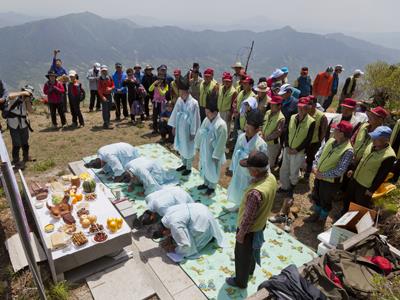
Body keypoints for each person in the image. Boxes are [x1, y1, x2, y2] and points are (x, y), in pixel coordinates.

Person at [225, 151, 277, 289]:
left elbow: (247, 219)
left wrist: (241, 234)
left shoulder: (255, 193)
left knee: (242, 255)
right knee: (253, 250)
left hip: (249, 230)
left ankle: (240, 281)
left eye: (248, 168)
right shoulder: (271, 178)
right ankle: (250, 271)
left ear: (254, 171)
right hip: (260, 224)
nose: (247, 170)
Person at [305, 121, 354, 227]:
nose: (333, 130)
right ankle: (316, 214)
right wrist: (314, 165)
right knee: (316, 195)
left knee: (326, 201)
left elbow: (340, 170)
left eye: (336, 129)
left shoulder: (348, 150)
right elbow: (319, 152)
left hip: (330, 182)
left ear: (341, 133)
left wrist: (323, 175)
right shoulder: (331, 140)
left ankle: (321, 220)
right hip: (319, 175)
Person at [344, 126, 396, 211]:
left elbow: (382, 175)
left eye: (376, 138)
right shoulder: (372, 144)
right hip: (355, 178)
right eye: (373, 137)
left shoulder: (389, 156)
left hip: (365, 186)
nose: (373, 139)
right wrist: (353, 170)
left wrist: (371, 190)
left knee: (359, 206)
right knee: (348, 199)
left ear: (385, 140)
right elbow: (362, 158)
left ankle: (353, 223)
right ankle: (343, 216)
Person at [152, 203, 224, 260]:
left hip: (203, 220)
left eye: (166, 235)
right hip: (200, 207)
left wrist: (175, 250)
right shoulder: (166, 215)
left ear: (164, 232)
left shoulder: (174, 225)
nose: (167, 236)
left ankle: (209, 237)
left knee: (189, 249)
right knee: (180, 233)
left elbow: (185, 245)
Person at [227, 111, 267, 211]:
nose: (247, 129)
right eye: (246, 126)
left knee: (247, 190)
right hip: (239, 168)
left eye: (250, 128)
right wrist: (233, 167)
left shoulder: (261, 144)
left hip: (251, 173)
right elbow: (236, 151)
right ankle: (238, 204)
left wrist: (259, 177)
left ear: (257, 129)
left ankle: (245, 209)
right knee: (237, 187)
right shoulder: (241, 137)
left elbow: (264, 163)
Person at [279, 97, 315, 196]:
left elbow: (308, 139)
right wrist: (286, 145)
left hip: (298, 151)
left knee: (294, 171)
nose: (300, 109)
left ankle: (291, 188)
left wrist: (297, 149)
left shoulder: (311, 121)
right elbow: (287, 132)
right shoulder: (292, 117)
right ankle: (284, 186)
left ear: (307, 108)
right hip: (288, 148)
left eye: (303, 107)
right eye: (299, 107)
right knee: (284, 168)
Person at [195, 94, 228, 196]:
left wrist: (216, 156)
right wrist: (198, 145)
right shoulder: (206, 119)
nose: (207, 115)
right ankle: (206, 183)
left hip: (213, 151)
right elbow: (201, 131)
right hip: (205, 148)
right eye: (206, 113)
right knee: (204, 166)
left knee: (213, 169)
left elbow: (221, 142)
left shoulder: (221, 125)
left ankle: (212, 186)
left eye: (208, 113)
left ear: (215, 112)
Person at [168, 77, 201, 176]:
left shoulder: (194, 103)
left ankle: (189, 167)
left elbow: (196, 119)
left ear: (187, 92)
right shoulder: (179, 100)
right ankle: (183, 164)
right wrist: (174, 126)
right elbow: (175, 113)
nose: (181, 94)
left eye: (182, 92)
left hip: (188, 128)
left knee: (189, 147)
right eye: (180, 92)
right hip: (179, 127)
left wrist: (193, 132)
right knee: (181, 145)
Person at [4, 85, 34, 170]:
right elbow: (9, 96)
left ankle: (26, 156)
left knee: (25, 141)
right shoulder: (15, 97)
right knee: (16, 143)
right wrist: (22, 93)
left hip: (23, 123)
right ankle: (16, 160)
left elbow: (31, 111)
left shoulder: (27, 100)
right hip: (13, 123)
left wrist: (28, 101)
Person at [305, 95, 328, 178]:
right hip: (303, 140)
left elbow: (323, 131)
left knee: (311, 159)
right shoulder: (304, 112)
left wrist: (318, 142)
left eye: (310, 103)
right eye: (307, 103)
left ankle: (307, 175)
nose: (307, 105)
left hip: (314, 142)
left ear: (315, 104)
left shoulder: (322, 116)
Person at [262, 96, 285, 171]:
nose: (271, 106)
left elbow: (277, 133)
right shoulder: (268, 112)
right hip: (263, 140)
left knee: (269, 164)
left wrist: (265, 138)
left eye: (273, 105)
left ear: (279, 106)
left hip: (272, 145)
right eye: (271, 104)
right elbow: (263, 124)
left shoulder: (281, 118)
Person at [232, 76, 256, 144]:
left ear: (251, 85)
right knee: (236, 133)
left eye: (246, 83)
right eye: (243, 83)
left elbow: (251, 110)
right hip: (238, 117)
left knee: (244, 136)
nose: (244, 85)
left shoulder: (252, 96)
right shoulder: (241, 92)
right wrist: (235, 109)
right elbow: (235, 101)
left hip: (246, 119)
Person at [217, 72, 237, 138]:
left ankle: (224, 142)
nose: (226, 83)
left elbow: (233, 105)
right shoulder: (221, 88)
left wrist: (230, 114)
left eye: (228, 81)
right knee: (218, 127)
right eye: (225, 81)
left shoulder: (233, 91)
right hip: (219, 111)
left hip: (226, 112)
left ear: (231, 82)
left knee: (225, 128)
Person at [97, 65, 115, 129]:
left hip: (109, 95)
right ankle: (106, 123)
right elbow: (99, 89)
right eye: (103, 71)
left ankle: (108, 121)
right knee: (105, 109)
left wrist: (110, 88)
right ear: (101, 71)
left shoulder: (110, 77)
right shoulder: (100, 79)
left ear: (107, 71)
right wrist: (102, 97)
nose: (104, 72)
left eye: (105, 71)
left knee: (108, 108)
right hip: (103, 95)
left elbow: (113, 85)